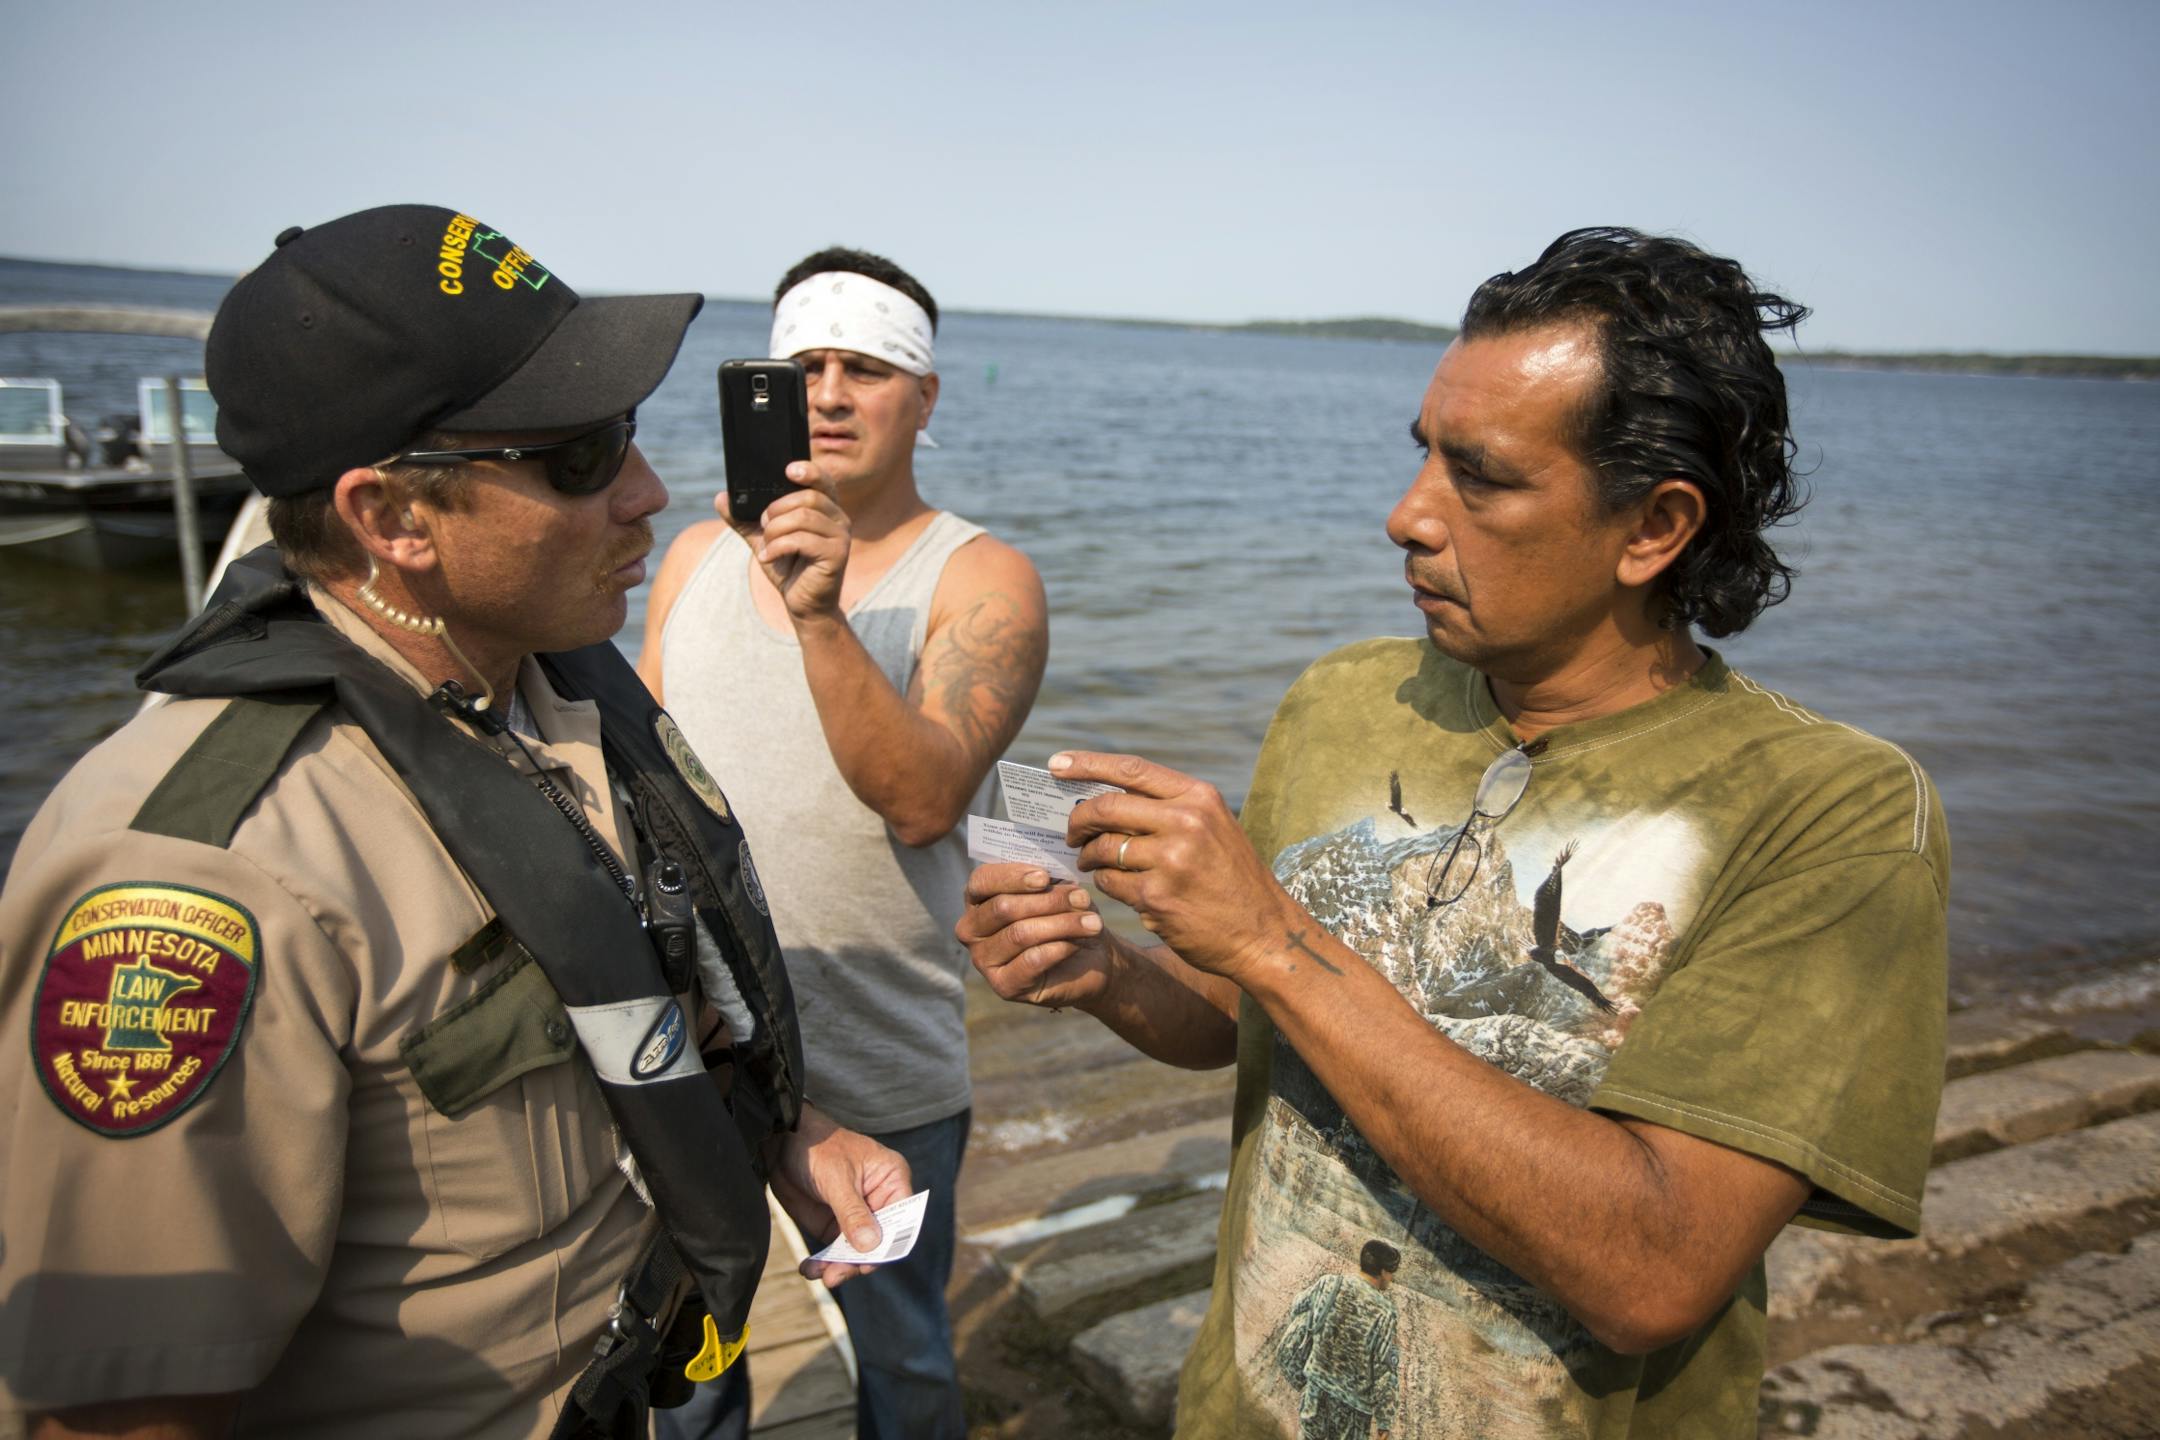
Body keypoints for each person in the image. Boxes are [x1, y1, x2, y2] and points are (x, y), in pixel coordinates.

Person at [957, 227, 1950, 1437]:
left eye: (1479, 478)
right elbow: (1246, 1023)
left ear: (1655, 528)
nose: (1406, 517)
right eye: (1422, 456)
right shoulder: (1344, 698)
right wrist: (1109, 972)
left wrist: (1270, 938)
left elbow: (1656, 1270)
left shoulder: (1827, 811)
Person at [0, 205, 909, 1439]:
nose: (646, 492)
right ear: (393, 520)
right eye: (580, 459)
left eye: (629, 433)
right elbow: (124, 1408)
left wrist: (777, 1130)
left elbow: (604, 993)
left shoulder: (543, 692)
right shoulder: (214, 870)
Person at [641, 246, 1047, 1440]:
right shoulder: (695, 555)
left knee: (905, 1354)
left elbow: (922, 801)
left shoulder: (981, 579)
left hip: (878, 1048)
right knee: (692, 1355)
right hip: (703, 1039)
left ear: (923, 396)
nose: (826, 394)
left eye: (866, 368)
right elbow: (651, 790)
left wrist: (817, 612)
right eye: (801, 367)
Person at [1275, 1241, 1401, 1440]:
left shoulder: (1329, 1284)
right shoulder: (1385, 1312)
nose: (1392, 1278)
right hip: (1353, 1407)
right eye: (1392, 1273)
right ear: (1384, 1272)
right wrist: (1384, 1420)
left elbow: (1298, 1307)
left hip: (1316, 1389)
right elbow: (1384, 1369)